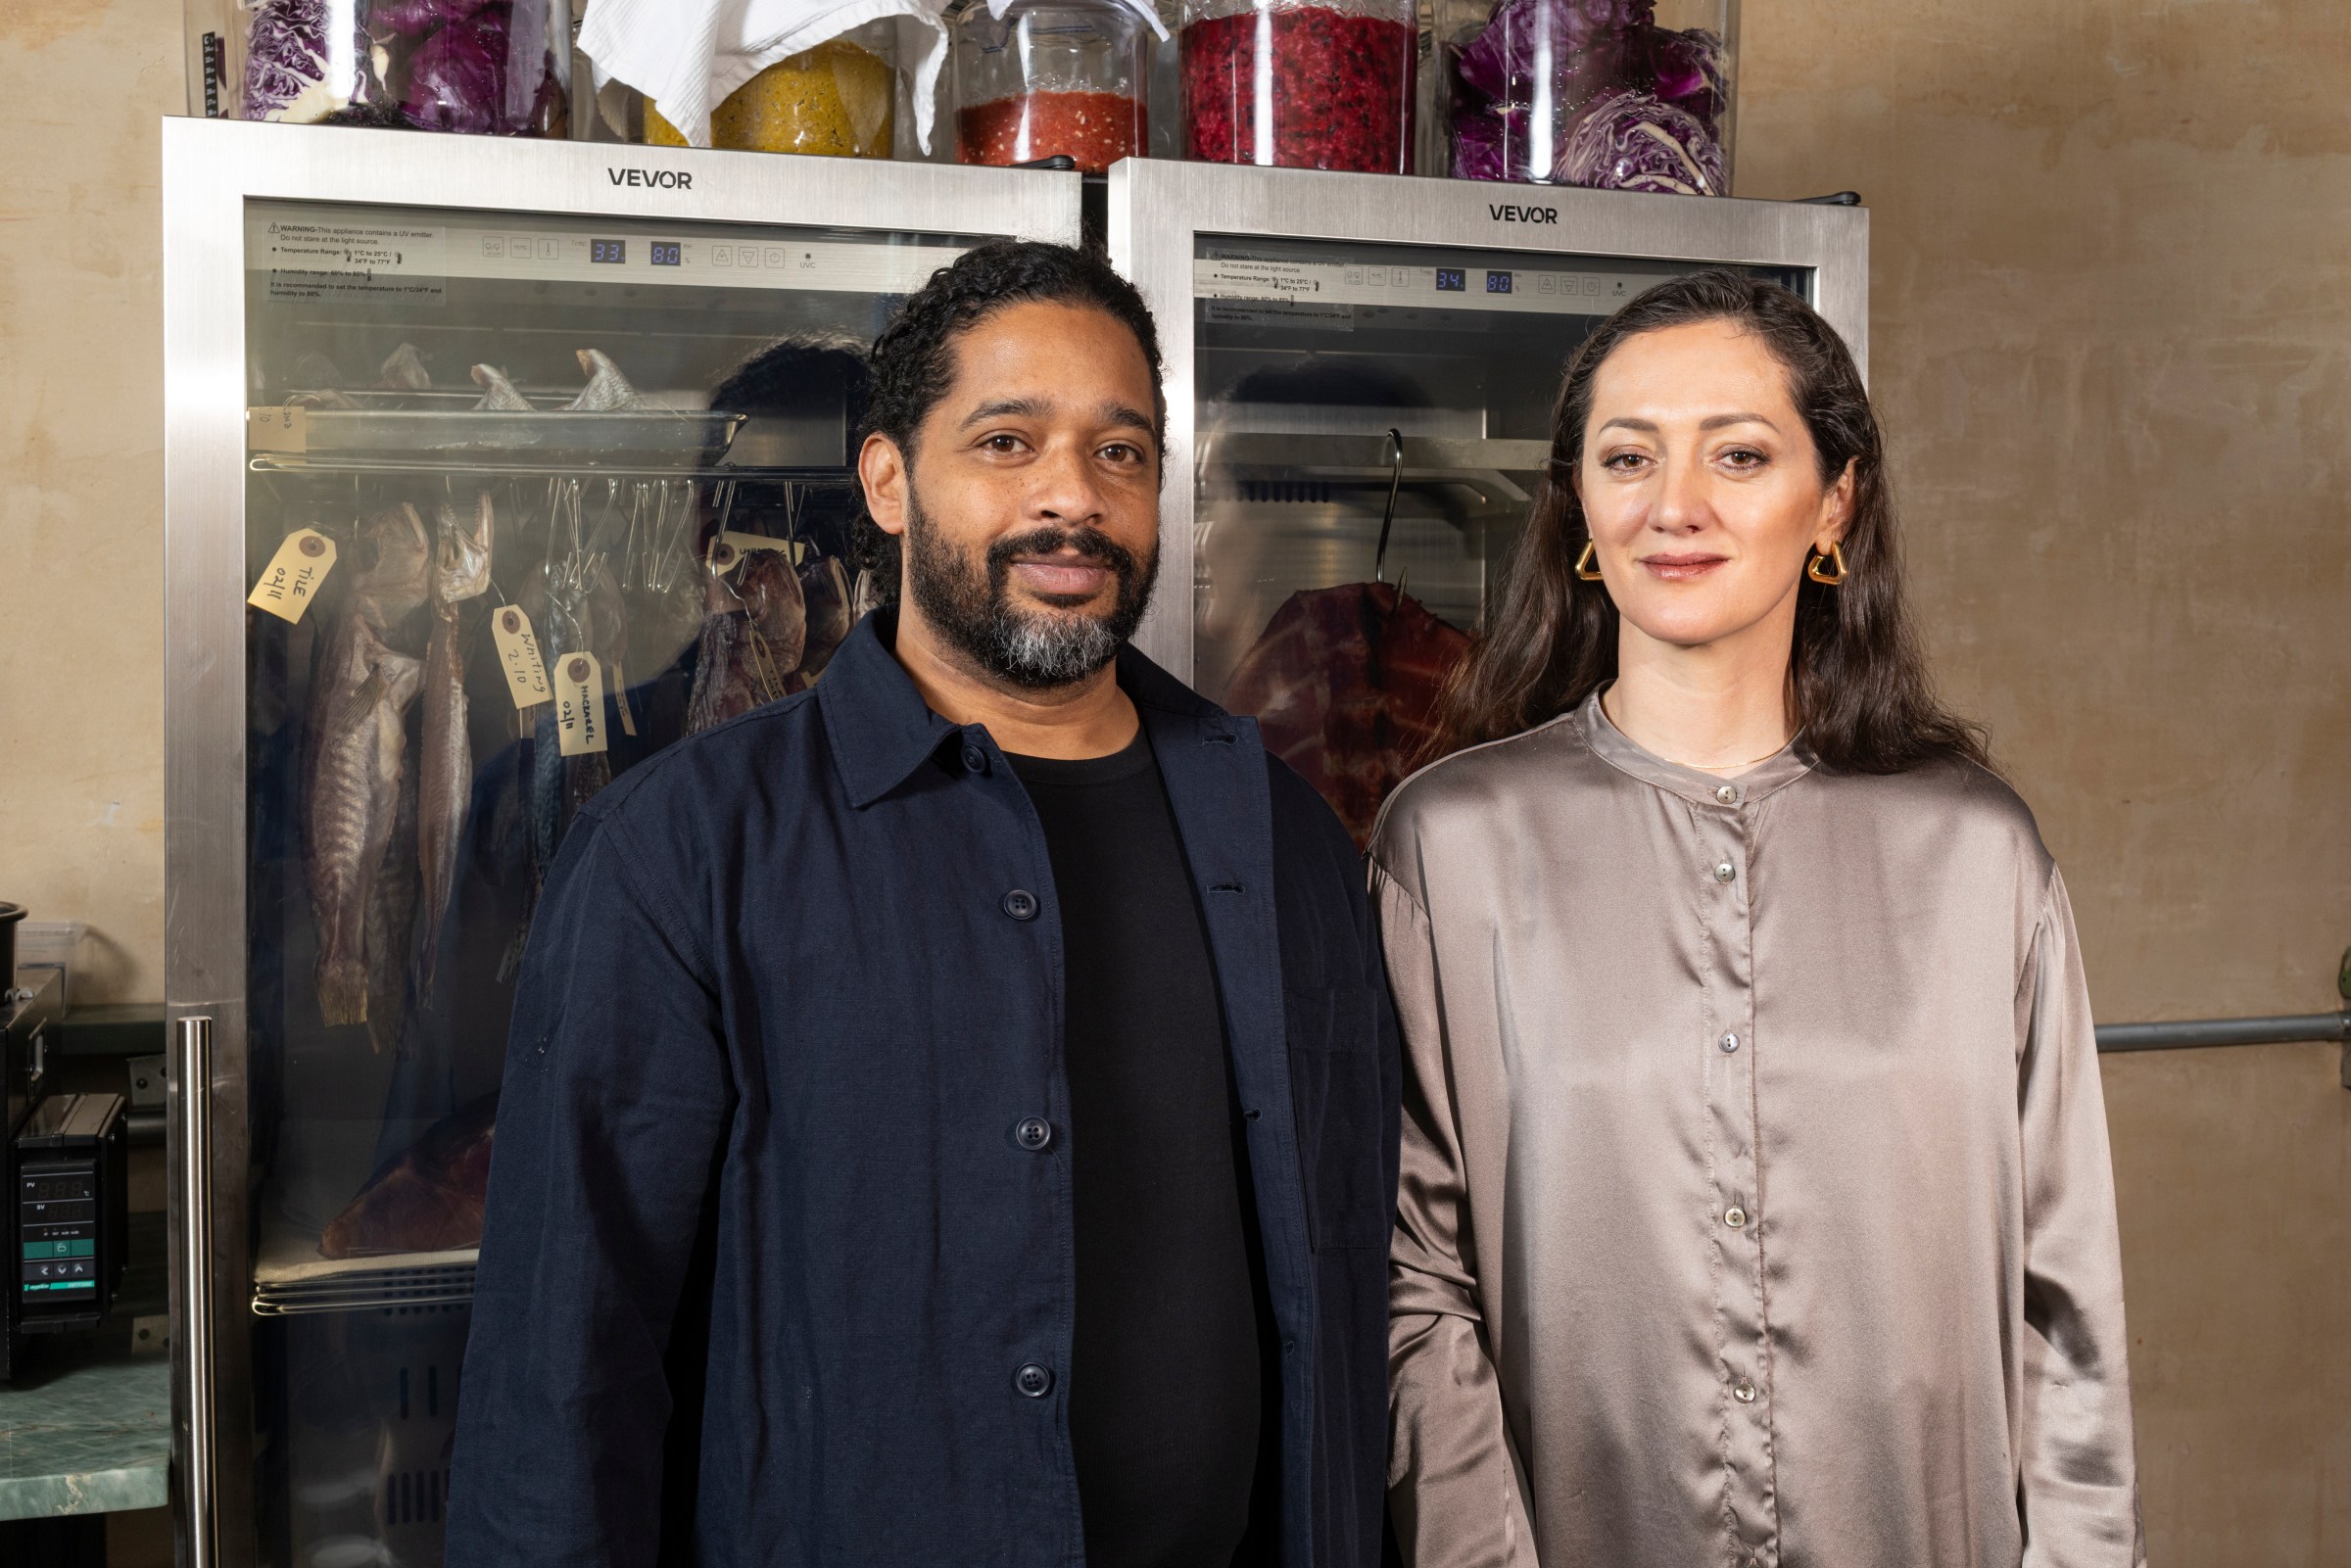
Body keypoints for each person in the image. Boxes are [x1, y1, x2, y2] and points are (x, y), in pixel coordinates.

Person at [443, 240, 1397, 1568]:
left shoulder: (1282, 831)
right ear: (888, 482)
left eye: (1120, 451)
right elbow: (563, 1382)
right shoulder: (681, 851)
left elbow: (1343, 1290)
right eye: (1007, 442)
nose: (1072, 496)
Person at [1376, 270, 2142, 1567]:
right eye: (1628, 457)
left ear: (1835, 501)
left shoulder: (1979, 852)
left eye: (1738, 455)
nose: (1674, 505)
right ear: (1579, 507)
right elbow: (1417, 1284)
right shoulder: (1450, 843)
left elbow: (2063, 1300)